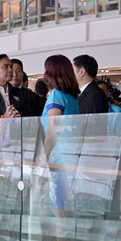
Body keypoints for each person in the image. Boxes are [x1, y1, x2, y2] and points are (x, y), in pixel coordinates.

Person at [41, 55, 80, 210]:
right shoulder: (71, 98)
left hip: (58, 158)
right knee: (65, 205)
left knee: (59, 207)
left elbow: (52, 131)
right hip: (70, 155)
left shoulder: (56, 95)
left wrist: (42, 155)